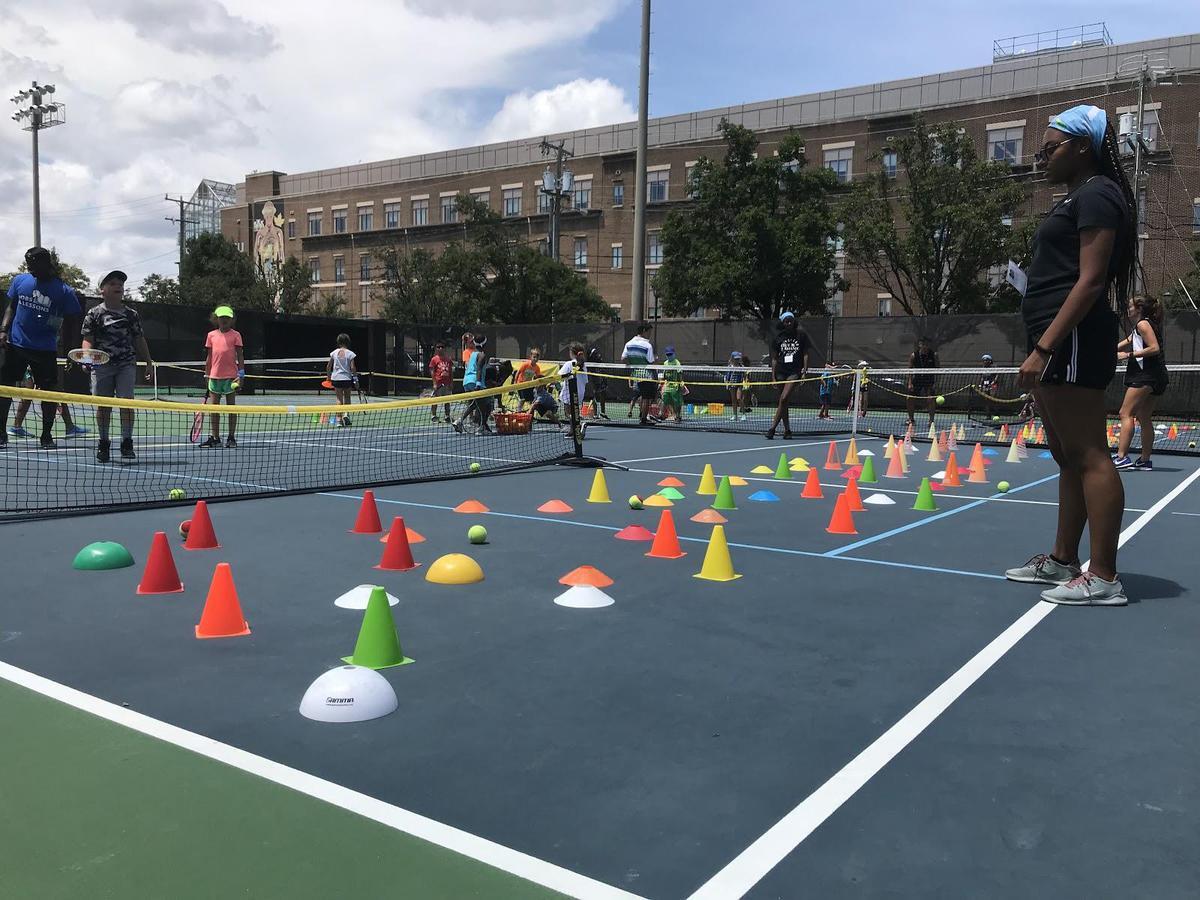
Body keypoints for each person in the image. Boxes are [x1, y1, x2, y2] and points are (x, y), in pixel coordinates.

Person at [1005, 103, 1134, 606]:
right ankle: (1063, 561)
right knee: (1065, 455)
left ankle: (1103, 577)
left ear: (1083, 147)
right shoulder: (1077, 197)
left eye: (1050, 146)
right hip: (1058, 338)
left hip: (1072, 338)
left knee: (1088, 453)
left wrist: (1043, 347)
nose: (1042, 155)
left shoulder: (1099, 193)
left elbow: (1091, 280)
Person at [0, 247, 82, 450]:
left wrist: (71, 350)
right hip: (16, 345)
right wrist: (3, 330)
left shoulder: (64, 291)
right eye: (28, 264)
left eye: (34, 263)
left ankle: (46, 435)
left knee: (48, 393)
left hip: (45, 350)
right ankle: (1, 433)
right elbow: (12, 306)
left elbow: (73, 321)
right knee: (5, 388)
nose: (30, 268)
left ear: (47, 263)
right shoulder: (20, 281)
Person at [81, 270, 154, 461]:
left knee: (126, 403)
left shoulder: (131, 315)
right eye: (112, 283)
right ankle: (103, 443)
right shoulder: (94, 314)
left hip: (126, 364)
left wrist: (147, 362)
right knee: (103, 406)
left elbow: (139, 339)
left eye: (120, 283)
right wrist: (87, 357)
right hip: (101, 366)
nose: (118, 286)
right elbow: (88, 340)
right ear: (102, 289)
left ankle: (127, 442)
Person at [1114, 295, 1168, 471]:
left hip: (1146, 376)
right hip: (1156, 376)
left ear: (1138, 308)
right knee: (1143, 417)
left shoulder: (1143, 324)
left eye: (1130, 306)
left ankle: (1122, 457)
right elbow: (1128, 342)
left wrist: (1127, 355)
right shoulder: (1141, 326)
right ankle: (1145, 460)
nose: (1127, 309)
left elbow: (1154, 348)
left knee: (1125, 413)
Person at [200, 306, 244, 449]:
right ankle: (215, 438)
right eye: (221, 317)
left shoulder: (236, 335)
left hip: (231, 378)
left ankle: (231, 437)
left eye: (227, 317)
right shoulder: (211, 335)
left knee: (231, 409)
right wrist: (207, 374)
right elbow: (210, 357)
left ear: (231, 320)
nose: (224, 320)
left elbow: (240, 356)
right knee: (214, 409)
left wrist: (241, 375)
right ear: (216, 319)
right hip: (214, 377)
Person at [8, 363, 85, 439]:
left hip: (42, 366)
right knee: (31, 392)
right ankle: (16, 427)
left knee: (57, 391)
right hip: (32, 366)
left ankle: (70, 427)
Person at [765, 311, 810, 440]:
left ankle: (772, 429)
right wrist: (773, 377)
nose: (789, 323)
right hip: (780, 372)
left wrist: (804, 371)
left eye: (790, 320)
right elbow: (774, 359)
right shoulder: (778, 338)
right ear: (783, 323)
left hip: (794, 372)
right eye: (786, 321)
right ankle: (787, 430)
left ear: (793, 321)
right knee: (783, 402)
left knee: (783, 399)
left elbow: (805, 354)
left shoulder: (801, 336)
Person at [452, 335, 490, 434]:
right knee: (486, 405)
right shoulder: (482, 355)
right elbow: (479, 369)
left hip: (466, 382)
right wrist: (478, 384)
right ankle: (481, 428)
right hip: (475, 382)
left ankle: (459, 421)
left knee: (473, 404)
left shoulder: (473, 354)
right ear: (484, 344)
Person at [621, 322, 657, 425]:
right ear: (644, 331)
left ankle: (642, 416)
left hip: (636, 375)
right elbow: (651, 361)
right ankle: (644, 419)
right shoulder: (647, 345)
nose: (650, 334)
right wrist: (656, 359)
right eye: (649, 332)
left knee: (641, 396)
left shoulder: (628, 344)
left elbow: (623, 358)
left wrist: (633, 364)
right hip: (647, 376)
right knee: (646, 398)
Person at [326, 333, 358, 427]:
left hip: (336, 378)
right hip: (346, 379)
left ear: (338, 342)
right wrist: (356, 380)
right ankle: (346, 415)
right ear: (348, 342)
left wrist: (329, 377)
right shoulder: (350, 354)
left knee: (339, 399)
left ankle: (339, 420)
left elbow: (328, 367)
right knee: (347, 397)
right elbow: (353, 368)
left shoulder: (334, 353)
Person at [558, 343, 589, 440]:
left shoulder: (569, 364)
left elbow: (559, 376)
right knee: (574, 412)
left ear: (572, 353)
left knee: (569, 413)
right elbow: (586, 381)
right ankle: (573, 431)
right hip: (580, 392)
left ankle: (578, 426)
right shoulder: (583, 365)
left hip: (569, 391)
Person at [906, 338, 939, 427]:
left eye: (926, 344)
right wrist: (910, 382)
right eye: (923, 344)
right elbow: (910, 370)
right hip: (917, 379)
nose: (925, 346)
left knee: (930, 399)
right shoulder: (914, 355)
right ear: (919, 345)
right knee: (910, 398)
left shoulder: (934, 355)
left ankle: (931, 421)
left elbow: (939, 370)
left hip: (929, 379)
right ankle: (911, 419)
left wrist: (936, 383)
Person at [427, 341, 453, 423]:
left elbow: (451, 371)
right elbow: (432, 371)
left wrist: (451, 382)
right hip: (438, 384)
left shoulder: (448, 359)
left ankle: (447, 416)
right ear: (436, 349)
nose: (440, 348)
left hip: (447, 384)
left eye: (442, 347)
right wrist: (434, 383)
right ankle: (434, 416)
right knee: (435, 400)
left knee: (447, 401)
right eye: (438, 347)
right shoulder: (434, 359)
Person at [659, 346, 685, 423]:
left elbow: (680, 375)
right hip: (667, 386)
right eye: (668, 354)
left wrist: (681, 383)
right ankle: (661, 414)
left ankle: (677, 417)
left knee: (677, 403)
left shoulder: (677, 363)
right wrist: (661, 384)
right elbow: (663, 375)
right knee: (664, 400)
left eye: (670, 354)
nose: (669, 356)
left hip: (676, 387)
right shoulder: (665, 363)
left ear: (674, 354)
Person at [514, 348, 543, 413]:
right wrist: (515, 382)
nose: (535, 359)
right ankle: (518, 411)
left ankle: (530, 413)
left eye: (537, 358)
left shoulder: (537, 367)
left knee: (531, 400)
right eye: (534, 357)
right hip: (521, 384)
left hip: (528, 385)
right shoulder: (525, 364)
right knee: (523, 399)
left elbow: (538, 376)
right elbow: (518, 372)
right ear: (531, 357)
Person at [586, 347, 610, 419]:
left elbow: (603, 369)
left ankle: (602, 413)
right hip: (594, 380)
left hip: (601, 379)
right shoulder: (590, 363)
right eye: (595, 353)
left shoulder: (600, 361)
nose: (598, 355)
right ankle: (595, 414)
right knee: (595, 395)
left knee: (603, 394)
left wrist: (604, 377)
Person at [724, 351, 749, 420]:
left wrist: (745, 384)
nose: (737, 360)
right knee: (733, 400)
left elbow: (745, 376)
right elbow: (727, 376)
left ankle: (744, 414)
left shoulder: (741, 367)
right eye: (736, 359)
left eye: (738, 359)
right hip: (732, 385)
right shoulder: (730, 367)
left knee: (739, 398)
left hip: (739, 385)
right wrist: (727, 383)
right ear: (732, 358)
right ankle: (735, 415)